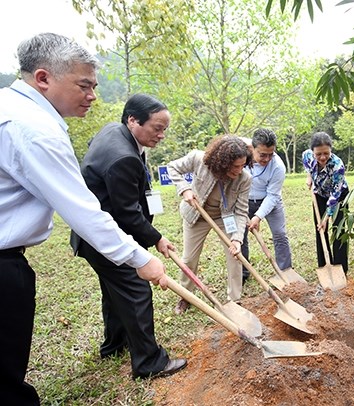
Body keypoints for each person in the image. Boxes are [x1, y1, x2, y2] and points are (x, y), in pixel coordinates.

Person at [0, 33, 167, 405]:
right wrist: (144, 255)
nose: (93, 95)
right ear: (43, 78)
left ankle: (115, 344)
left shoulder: (13, 108)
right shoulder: (34, 129)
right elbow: (84, 210)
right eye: (84, 85)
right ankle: (146, 358)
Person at [71, 93, 186, 379]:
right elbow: (127, 213)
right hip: (106, 238)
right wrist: (156, 238)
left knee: (114, 292)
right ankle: (149, 362)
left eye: (164, 129)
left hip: (90, 237)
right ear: (133, 120)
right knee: (136, 291)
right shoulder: (123, 157)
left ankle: (114, 345)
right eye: (156, 128)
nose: (161, 135)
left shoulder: (113, 131)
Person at [168, 135, 252, 314]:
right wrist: (185, 189)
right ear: (222, 162)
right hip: (196, 214)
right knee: (189, 258)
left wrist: (237, 239)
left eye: (242, 165)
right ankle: (185, 296)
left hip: (224, 217)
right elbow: (172, 168)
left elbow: (242, 211)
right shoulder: (198, 159)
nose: (239, 170)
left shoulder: (244, 179)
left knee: (235, 256)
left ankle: (234, 301)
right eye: (235, 166)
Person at [241, 128, 293, 281]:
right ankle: (243, 272)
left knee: (280, 234)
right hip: (245, 201)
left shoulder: (278, 167)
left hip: (270, 201)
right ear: (253, 148)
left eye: (271, 154)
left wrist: (258, 216)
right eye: (262, 155)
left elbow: (272, 196)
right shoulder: (241, 154)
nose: (266, 159)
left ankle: (285, 271)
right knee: (239, 236)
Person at [302, 132, 350, 274]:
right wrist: (309, 176)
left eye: (326, 153)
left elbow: (335, 194)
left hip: (339, 196)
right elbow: (306, 163)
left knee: (339, 230)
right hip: (319, 194)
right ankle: (324, 265)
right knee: (320, 229)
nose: (322, 157)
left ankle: (340, 267)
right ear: (313, 152)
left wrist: (326, 216)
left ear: (331, 150)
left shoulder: (338, 166)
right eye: (319, 154)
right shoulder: (307, 155)